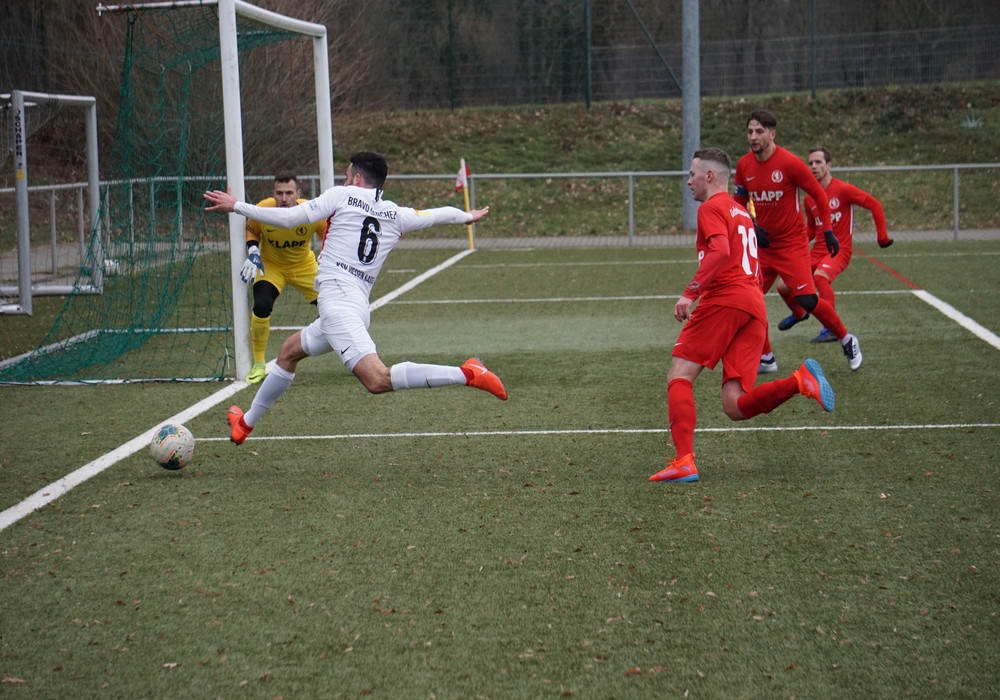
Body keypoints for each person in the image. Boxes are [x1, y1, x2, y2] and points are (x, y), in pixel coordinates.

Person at [204, 151, 506, 445]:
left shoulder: (341, 196)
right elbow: (438, 214)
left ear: (358, 178)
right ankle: (245, 423)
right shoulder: (395, 213)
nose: (344, 180)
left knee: (377, 380)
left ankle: (467, 373)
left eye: (347, 175)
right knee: (288, 353)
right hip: (356, 305)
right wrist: (467, 216)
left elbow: (290, 217)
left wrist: (237, 206)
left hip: (338, 305)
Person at [649, 148, 834, 483]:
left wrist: (690, 293)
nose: (688, 181)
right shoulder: (741, 212)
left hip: (726, 298)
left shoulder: (711, 208)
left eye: (691, 174)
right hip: (753, 303)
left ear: (709, 176)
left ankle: (684, 461)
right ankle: (799, 381)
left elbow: (720, 251)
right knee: (735, 404)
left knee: (679, 374)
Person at [732, 109, 862, 373]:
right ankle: (766, 357)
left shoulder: (789, 163)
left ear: (772, 134)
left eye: (759, 132)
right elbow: (738, 205)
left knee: (807, 301)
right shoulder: (744, 165)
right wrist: (751, 226)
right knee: (747, 299)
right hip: (763, 248)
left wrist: (828, 231)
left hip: (792, 245)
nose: (753, 137)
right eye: (750, 131)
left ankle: (847, 339)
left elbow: (818, 194)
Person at [776, 146, 894, 343]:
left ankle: (830, 328)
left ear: (829, 165)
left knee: (820, 278)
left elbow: (875, 205)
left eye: (818, 162)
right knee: (783, 286)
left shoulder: (843, 190)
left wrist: (882, 237)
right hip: (817, 252)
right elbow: (812, 229)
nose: (813, 166)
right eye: (810, 163)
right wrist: (792, 243)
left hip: (839, 251)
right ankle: (799, 313)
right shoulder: (810, 198)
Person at [241, 171, 329, 384]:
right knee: (261, 305)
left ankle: (354, 355)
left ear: (298, 194)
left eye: (289, 193)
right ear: (273, 194)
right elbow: (252, 231)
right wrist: (253, 252)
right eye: (279, 193)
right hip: (271, 267)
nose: (284, 198)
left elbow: (327, 235)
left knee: (335, 307)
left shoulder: (312, 212)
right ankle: (259, 364)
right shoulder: (263, 209)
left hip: (305, 266)